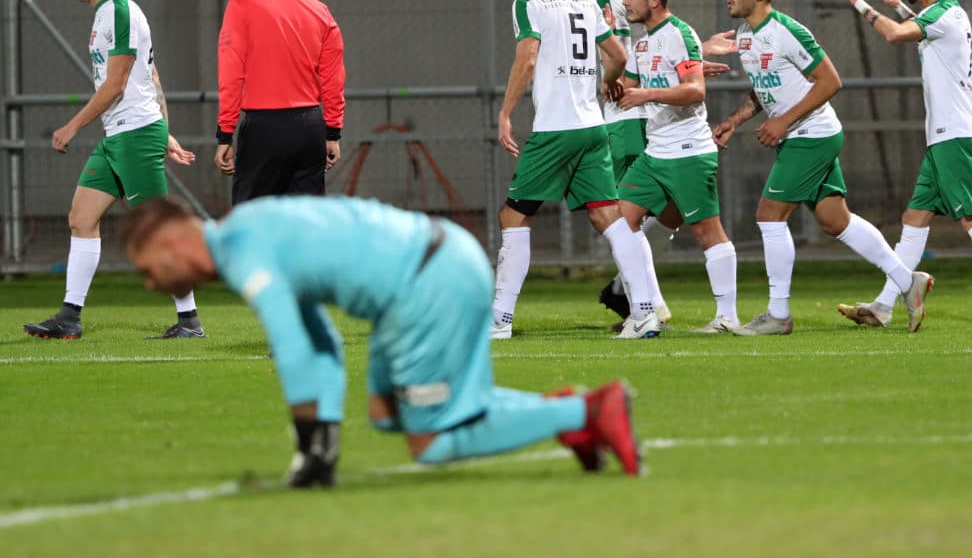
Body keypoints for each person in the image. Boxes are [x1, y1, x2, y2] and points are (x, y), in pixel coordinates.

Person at [122, 196, 643, 486]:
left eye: (149, 268)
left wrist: (311, 449)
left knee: (431, 442)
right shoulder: (246, 230)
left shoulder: (241, 250)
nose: (149, 283)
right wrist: (319, 444)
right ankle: (570, 412)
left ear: (171, 242)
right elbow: (316, 335)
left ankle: (588, 413)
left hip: (425, 285)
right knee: (384, 411)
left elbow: (290, 342)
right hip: (437, 264)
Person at [712, 0, 933, 335]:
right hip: (806, 135)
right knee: (836, 221)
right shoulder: (745, 34)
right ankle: (906, 280)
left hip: (811, 134)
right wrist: (736, 119)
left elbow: (830, 80)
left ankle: (778, 315)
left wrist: (784, 122)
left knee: (769, 215)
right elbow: (765, 88)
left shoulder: (787, 31)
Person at [836, 0, 972, 328]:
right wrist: (899, 6)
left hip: (953, 135)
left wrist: (859, 3)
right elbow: (923, 29)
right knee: (914, 218)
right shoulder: (945, 14)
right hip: (943, 137)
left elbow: (894, 36)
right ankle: (885, 305)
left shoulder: (942, 15)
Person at [22, 0, 204, 341]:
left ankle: (189, 320)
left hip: (134, 135)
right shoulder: (106, 15)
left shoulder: (120, 11)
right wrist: (167, 130)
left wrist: (72, 127)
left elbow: (118, 84)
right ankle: (69, 317)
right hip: (122, 134)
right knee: (81, 218)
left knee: (156, 231)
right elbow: (150, 78)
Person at [491, 0, 659, 340]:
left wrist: (506, 111)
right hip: (592, 128)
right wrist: (608, 83)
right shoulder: (587, 1)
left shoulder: (528, 3)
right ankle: (644, 313)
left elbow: (527, 57)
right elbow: (617, 56)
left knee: (513, 216)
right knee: (609, 217)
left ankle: (498, 321)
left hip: (555, 130)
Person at [593, 0, 732, 331]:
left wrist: (660, 84)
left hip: (685, 148)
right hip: (654, 147)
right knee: (622, 219)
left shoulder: (675, 32)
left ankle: (725, 316)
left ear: (651, 1)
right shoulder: (642, 34)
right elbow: (628, 78)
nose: (627, 3)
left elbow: (692, 89)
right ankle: (644, 309)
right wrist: (610, 83)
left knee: (705, 232)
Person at [214, 0, 345, 204]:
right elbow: (333, 78)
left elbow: (231, 76)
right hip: (309, 127)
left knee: (252, 219)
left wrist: (225, 134)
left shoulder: (239, 8)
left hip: (262, 130)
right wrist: (332, 132)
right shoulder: (320, 11)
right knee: (306, 221)